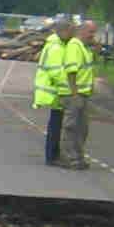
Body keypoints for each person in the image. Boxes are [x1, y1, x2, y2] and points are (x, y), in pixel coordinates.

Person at [57, 20, 97, 169]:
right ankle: (68, 157)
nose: (93, 36)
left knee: (82, 128)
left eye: (94, 32)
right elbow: (71, 71)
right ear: (82, 30)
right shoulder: (74, 46)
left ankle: (78, 157)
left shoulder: (84, 47)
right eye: (91, 32)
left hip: (83, 94)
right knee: (71, 127)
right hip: (74, 94)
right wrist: (74, 93)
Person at [33, 18, 72, 165]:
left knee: (55, 124)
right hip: (54, 91)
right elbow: (56, 72)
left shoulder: (57, 45)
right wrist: (69, 87)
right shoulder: (56, 48)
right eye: (70, 31)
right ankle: (52, 156)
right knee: (56, 126)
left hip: (53, 90)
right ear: (63, 31)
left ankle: (53, 155)